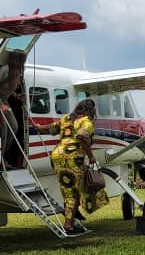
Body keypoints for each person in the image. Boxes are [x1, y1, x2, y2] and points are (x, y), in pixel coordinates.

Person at [31, 98, 102, 234]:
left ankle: (72, 217)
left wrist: (38, 127)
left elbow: (51, 128)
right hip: (72, 158)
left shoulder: (66, 119)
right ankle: (69, 225)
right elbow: (82, 136)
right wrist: (91, 156)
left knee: (68, 189)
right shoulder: (86, 122)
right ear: (91, 111)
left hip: (57, 155)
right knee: (73, 192)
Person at [0, 51, 27, 169]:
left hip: (5, 102)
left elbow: (7, 88)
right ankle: (1, 159)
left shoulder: (17, 72)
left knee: (14, 127)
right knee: (4, 133)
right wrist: (0, 105)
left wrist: (15, 95)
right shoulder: (5, 70)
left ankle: (5, 154)